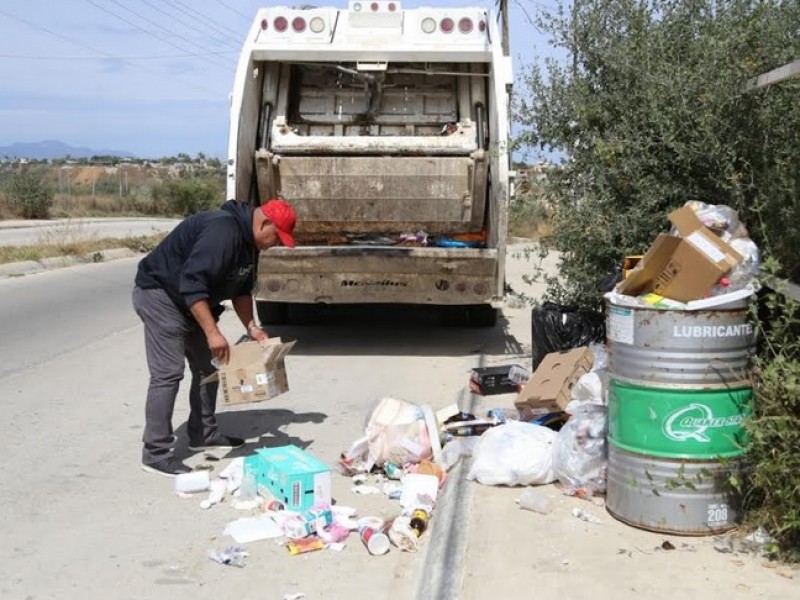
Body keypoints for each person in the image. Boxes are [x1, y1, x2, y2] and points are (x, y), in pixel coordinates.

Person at [132, 198, 297, 477]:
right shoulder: (223, 232)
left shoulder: (248, 243)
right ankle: (155, 453)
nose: (276, 244)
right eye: (276, 237)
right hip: (161, 296)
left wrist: (252, 327)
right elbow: (192, 282)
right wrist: (212, 332)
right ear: (264, 223)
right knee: (168, 374)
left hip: (190, 303)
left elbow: (242, 288)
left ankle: (203, 433)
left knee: (209, 367)